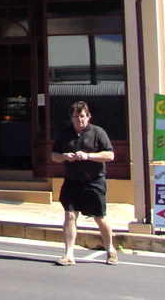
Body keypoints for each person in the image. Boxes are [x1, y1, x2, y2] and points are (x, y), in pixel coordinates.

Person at [51, 100, 117, 266]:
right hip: (72, 181)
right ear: (71, 118)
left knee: (99, 217)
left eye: (82, 116)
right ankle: (69, 255)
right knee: (70, 215)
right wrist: (65, 157)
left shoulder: (97, 132)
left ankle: (110, 249)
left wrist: (88, 156)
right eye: (76, 117)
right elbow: (54, 155)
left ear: (88, 117)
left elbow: (110, 155)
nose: (80, 120)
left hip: (94, 181)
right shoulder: (65, 133)